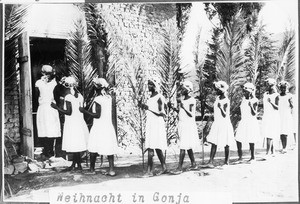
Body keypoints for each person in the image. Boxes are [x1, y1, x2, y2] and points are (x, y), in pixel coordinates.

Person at [79, 77, 118, 176]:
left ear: (97, 88)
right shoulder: (108, 98)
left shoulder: (98, 99)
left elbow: (97, 115)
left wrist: (84, 111)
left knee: (93, 146)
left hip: (99, 126)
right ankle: (111, 170)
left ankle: (92, 169)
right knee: (109, 147)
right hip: (107, 125)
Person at [51, 76, 89, 171]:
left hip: (72, 123)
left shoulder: (68, 97)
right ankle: (76, 164)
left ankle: (76, 165)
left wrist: (56, 107)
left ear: (67, 86)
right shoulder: (80, 96)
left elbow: (68, 112)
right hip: (79, 122)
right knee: (76, 143)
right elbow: (81, 109)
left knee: (74, 143)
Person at [139, 77, 168, 177]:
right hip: (150, 123)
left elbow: (162, 114)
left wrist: (149, 109)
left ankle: (149, 171)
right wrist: (143, 106)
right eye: (148, 85)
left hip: (157, 123)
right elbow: (149, 110)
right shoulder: (150, 98)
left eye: (151, 85)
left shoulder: (159, 97)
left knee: (152, 146)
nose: (149, 87)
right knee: (155, 146)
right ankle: (164, 167)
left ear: (156, 86)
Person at [169, 81, 199, 174]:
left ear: (188, 90)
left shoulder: (191, 100)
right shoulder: (183, 100)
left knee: (183, 146)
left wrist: (183, 106)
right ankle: (194, 164)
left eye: (184, 89)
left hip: (188, 125)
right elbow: (180, 112)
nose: (182, 90)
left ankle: (179, 167)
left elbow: (191, 114)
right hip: (182, 124)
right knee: (187, 145)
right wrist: (173, 108)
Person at [206, 81, 235, 167]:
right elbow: (214, 110)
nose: (216, 91)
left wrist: (220, 107)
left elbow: (224, 114)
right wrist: (206, 105)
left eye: (217, 90)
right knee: (214, 142)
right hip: (217, 123)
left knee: (226, 143)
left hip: (224, 123)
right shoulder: (218, 99)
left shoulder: (226, 100)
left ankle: (226, 162)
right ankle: (210, 161)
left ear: (222, 90)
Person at [35, 65, 61, 159]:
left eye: (50, 73)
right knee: (44, 130)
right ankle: (46, 150)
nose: (48, 75)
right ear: (42, 73)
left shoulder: (55, 83)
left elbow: (57, 96)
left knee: (52, 130)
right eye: (46, 73)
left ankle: (51, 151)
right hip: (42, 108)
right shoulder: (38, 83)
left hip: (52, 108)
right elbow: (36, 96)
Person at [235, 82, 259, 163]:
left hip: (251, 121)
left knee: (251, 139)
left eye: (246, 91)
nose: (244, 93)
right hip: (243, 121)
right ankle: (240, 157)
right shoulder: (243, 100)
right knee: (238, 139)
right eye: (244, 91)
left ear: (251, 92)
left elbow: (254, 113)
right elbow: (241, 110)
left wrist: (251, 105)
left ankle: (252, 157)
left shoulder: (255, 100)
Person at [261, 78, 280, 157]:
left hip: (273, 117)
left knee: (270, 134)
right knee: (267, 133)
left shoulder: (276, 95)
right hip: (266, 116)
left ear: (271, 86)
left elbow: (277, 107)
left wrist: (271, 102)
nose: (265, 87)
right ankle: (272, 151)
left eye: (267, 85)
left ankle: (267, 153)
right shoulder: (265, 94)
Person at [278, 81, 294, 153]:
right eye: (282, 88)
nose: (283, 89)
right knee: (281, 131)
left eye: (284, 87)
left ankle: (285, 147)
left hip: (286, 115)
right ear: (280, 88)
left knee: (285, 131)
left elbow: (292, 106)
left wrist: (290, 102)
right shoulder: (278, 96)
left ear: (286, 88)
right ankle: (282, 146)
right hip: (279, 115)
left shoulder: (289, 95)